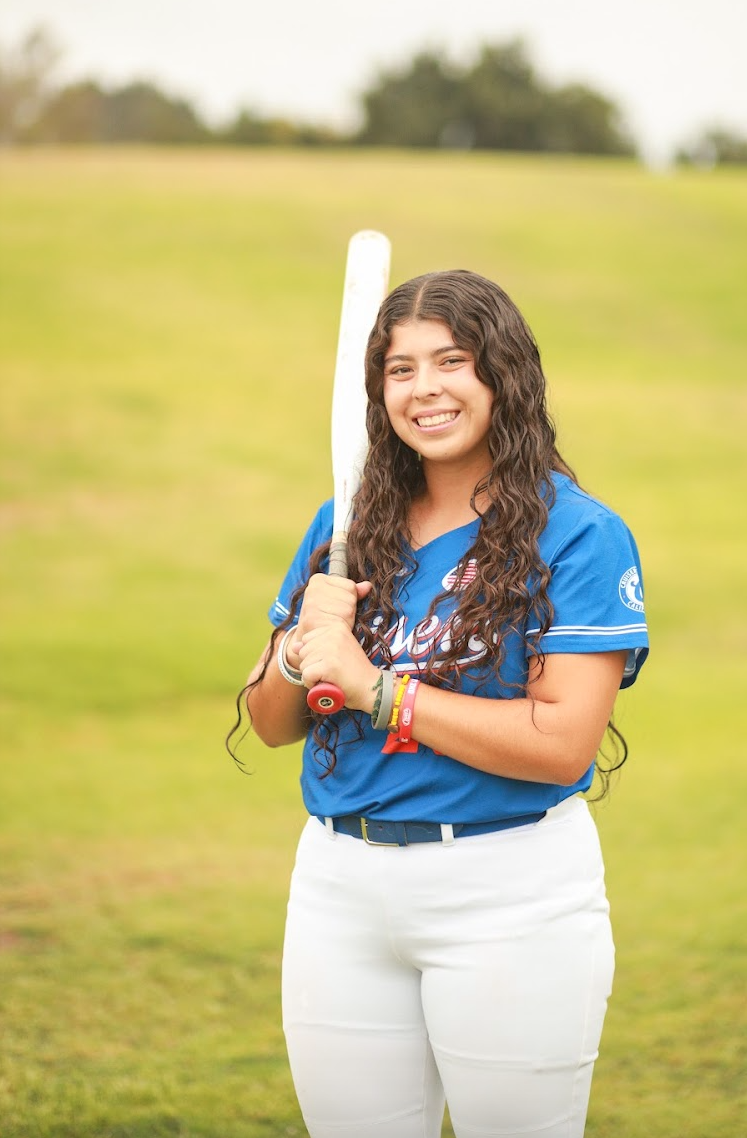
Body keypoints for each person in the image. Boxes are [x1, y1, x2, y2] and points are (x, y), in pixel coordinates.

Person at [229, 269, 649, 1138]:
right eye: (399, 369)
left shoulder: (578, 533)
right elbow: (272, 722)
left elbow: (562, 743)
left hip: (507, 893)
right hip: (338, 888)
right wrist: (303, 648)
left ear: (503, 374)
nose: (425, 389)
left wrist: (377, 688)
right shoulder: (344, 523)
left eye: (451, 361)